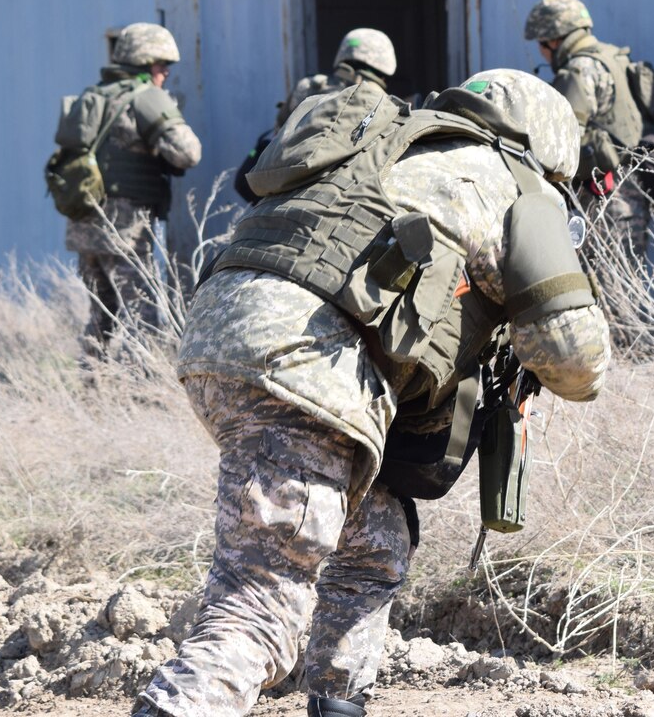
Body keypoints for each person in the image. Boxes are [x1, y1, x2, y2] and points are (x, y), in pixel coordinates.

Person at [135, 69, 612, 717]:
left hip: (223, 332)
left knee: (375, 538)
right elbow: (578, 360)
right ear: (552, 151)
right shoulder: (516, 186)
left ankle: (340, 701)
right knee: (263, 599)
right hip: (308, 367)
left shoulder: (396, 143)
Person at [63, 22, 202, 360]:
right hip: (125, 229)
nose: (166, 73)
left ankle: (92, 387)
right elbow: (189, 153)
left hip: (84, 224)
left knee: (101, 314)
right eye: (162, 65)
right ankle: (143, 392)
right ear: (143, 63)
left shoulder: (92, 96)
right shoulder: (146, 98)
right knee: (144, 315)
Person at [523, 0, 654, 260]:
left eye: (541, 43)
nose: (540, 51)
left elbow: (561, 142)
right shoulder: (615, 57)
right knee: (626, 287)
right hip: (632, 193)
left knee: (601, 292)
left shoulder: (577, 71)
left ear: (554, 38)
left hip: (602, 202)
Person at [234, 27, 398, 204]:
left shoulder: (308, 86)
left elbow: (278, 135)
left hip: (283, 194)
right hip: (340, 198)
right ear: (385, 65)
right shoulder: (384, 103)